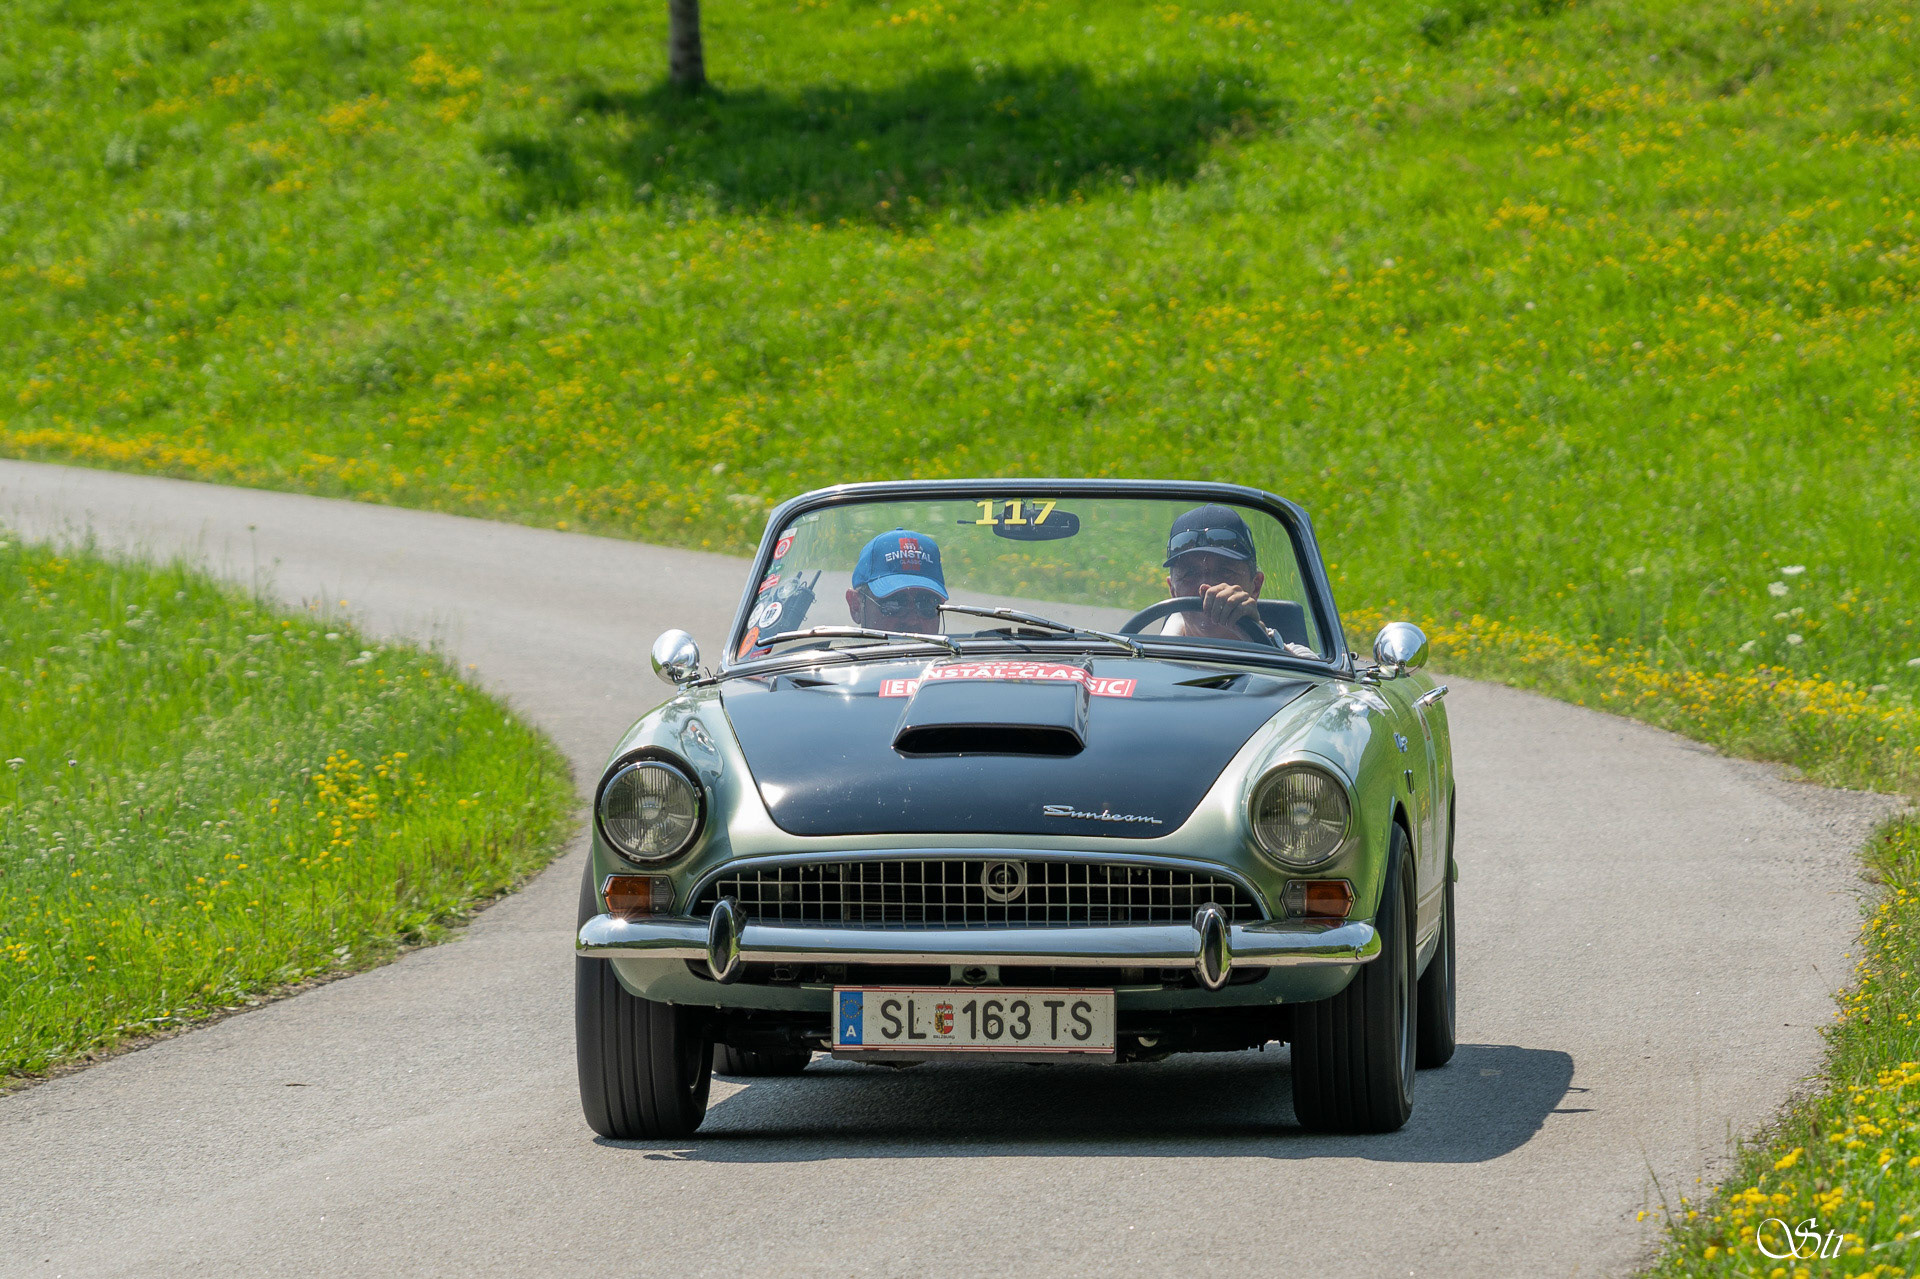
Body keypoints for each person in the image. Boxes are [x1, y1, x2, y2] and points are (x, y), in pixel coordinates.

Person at [1160, 504, 1267, 642]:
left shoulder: (1296, 658)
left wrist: (1260, 640)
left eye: (1225, 572)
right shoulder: (1143, 655)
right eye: (1189, 574)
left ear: (1256, 586)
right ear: (1173, 590)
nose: (1207, 588)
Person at [846, 528, 948, 636]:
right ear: (856, 606)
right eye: (894, 604)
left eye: (927, 604)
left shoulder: (957, 651)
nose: (912, 620)